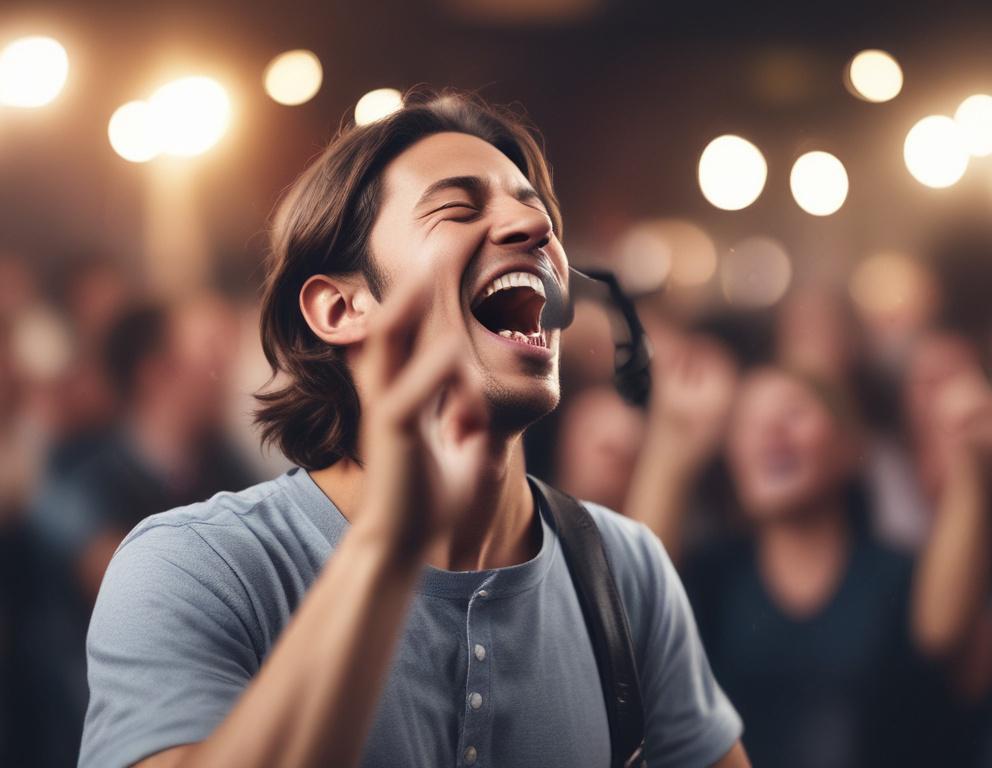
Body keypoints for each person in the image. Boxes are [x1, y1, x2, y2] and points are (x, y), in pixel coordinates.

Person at [79, 91, 748, 768]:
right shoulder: (201, 568)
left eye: (535, 207)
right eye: (459, 208)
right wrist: (388, 546)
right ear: (341, 307)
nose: (532, 224)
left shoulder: (623, 571)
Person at [626, 344, 957, 768]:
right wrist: (671, 442)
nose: (770, 432)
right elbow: (631, 604)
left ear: (848, 446)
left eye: (794, 413)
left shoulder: (903, 576)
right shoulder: (714, 575)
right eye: (747, 424)